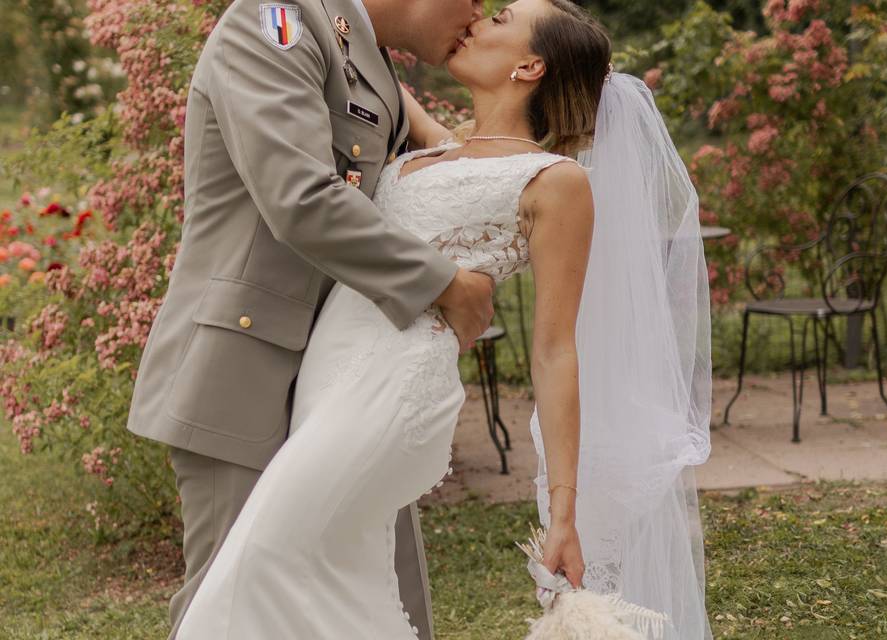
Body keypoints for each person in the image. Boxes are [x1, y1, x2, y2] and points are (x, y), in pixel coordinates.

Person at [177, 0, 714, 638]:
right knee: (335, 585)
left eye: (500, 16)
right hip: (320, 376)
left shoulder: (555, 180)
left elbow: (555, 351)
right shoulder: (404, 120)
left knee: (254, 570)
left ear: (529, 64)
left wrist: (564, 513)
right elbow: (331, 140)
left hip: (394, 389)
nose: (478, 16)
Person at [125, 1, 493, 639]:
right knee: (235, 608)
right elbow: (297, 195)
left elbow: (446, 166)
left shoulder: (369, 58)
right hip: (247, 371)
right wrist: (442, 284)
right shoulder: (275, 22)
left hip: (348, 377)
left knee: (376, 597)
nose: (480, 10)